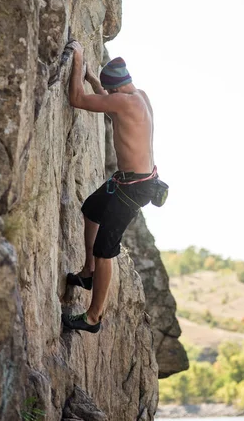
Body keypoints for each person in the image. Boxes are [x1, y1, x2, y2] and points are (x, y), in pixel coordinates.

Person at [62, 41, 156, 333]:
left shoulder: (123, 102)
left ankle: (93, 318)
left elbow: (77, 98)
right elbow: (112, 105)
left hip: (133, 190)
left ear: (115, 89)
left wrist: (77, 58)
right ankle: (88, 272)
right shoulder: (138, 96)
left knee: (106, 251)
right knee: (91, 210)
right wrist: (93, 79)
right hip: (132, 181)